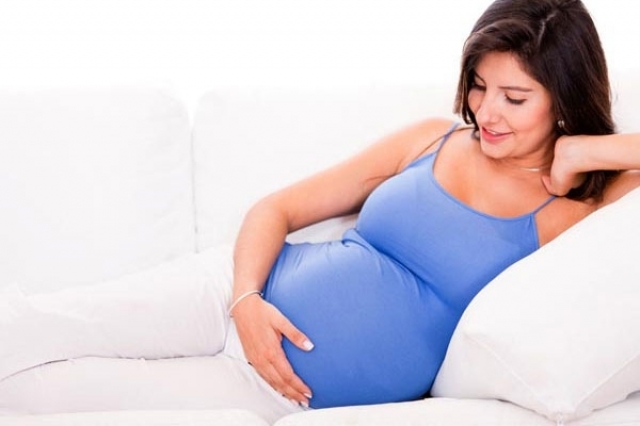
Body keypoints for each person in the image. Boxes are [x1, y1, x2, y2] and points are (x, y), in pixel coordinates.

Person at [2, 0, 640, 423]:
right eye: (478, 85)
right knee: (36, 328)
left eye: (515, 97)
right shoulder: (432, 139)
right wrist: (246, 303)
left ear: (563, 99)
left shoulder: (577, 207)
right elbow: (276, 208)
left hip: (274, 387)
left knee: (34, 396)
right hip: (232, 291)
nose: (487, 111)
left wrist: (583, 148)